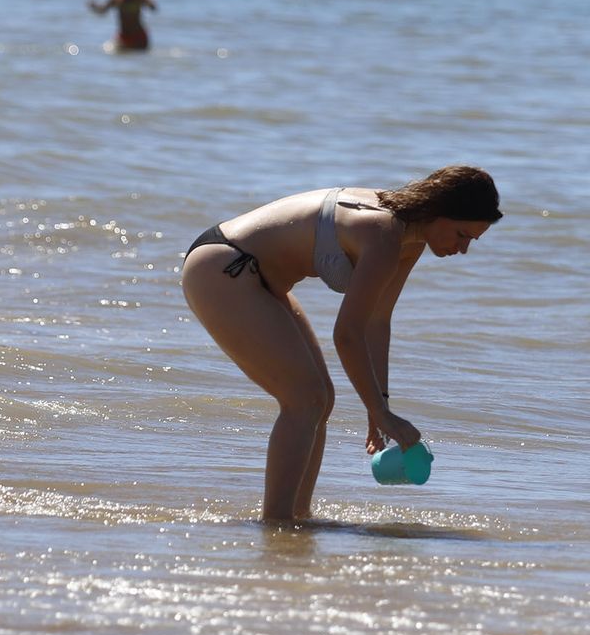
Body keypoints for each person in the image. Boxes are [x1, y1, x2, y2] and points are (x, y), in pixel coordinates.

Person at [181, 166, 503, 523]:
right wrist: (381, 413)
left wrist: (377, 404)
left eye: (472, 240)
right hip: (225, 267)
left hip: (259, 280)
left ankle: (298, 517)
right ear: (437, 211)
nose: (463, 249)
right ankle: (277, 524)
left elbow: (376, 323)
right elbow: (346, 334)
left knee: (321, 400)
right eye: (462, 234)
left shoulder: (410, 240)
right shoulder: (384, 232)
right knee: (305, 399)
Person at [89, 0, 157, 51]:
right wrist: (94, 7)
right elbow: (103, 10)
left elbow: (153, 7)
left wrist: (149, 2)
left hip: (139, 36)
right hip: (123, 36)